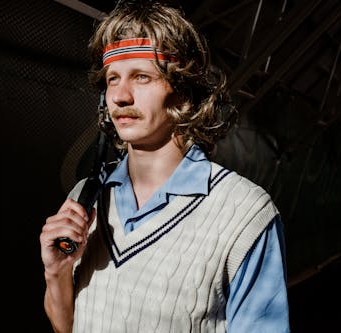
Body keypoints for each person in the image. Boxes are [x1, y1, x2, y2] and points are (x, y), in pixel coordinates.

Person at [40, 1, 290, 332]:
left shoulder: (245, 213)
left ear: (183, 93)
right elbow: (67, 326)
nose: (120, 96)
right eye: (113, 79)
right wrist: (56, 273)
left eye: (141, 77)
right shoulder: (84, 200)